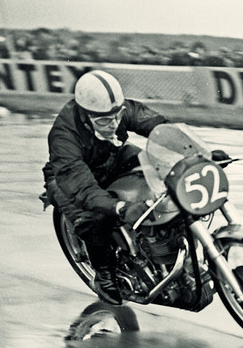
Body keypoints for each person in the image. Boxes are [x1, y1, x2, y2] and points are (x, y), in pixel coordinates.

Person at [41, 70, 170, 305]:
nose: (113, 125)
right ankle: (104, 276)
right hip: (69, 178)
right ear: (85, 116)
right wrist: (121, 208)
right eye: (103, 121)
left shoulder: (115, 110)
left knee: (160, 170)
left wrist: (192, 152)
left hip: (110, 156)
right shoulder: (63, 136)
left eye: (117, 117)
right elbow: (81, 187)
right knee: (92, 216)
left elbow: (156, 125)